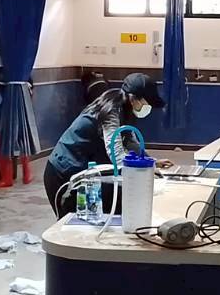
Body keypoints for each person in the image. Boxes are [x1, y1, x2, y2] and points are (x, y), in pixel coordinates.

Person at [44, 72, 167, 216]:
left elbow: (130, 142)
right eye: (147, 103)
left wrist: (149, 162)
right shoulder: (111, 110)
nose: (148, 107)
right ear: (133, 98)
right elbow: (115, 150)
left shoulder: (126, 110)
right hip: (62, 172)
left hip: (80, 168)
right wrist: (141, 171)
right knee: (72, 222)